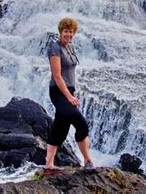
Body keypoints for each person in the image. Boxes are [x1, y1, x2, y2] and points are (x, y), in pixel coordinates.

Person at [44, 17, 94, 175]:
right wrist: (69, 97)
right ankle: (87, 161)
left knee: (60, 128)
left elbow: (70, 72)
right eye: (66, 31)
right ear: (60, 32)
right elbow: (57, 76)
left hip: (68, 92)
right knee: (81, 124)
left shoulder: (70, 47)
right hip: (59, 93)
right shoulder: (55, 48)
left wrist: (72, 93)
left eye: (71, 32)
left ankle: (49, 165)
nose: (69, 34)